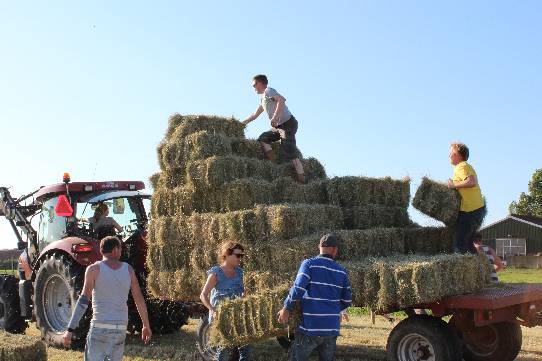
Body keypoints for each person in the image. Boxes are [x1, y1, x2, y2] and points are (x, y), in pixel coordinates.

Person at [62, 236, 151, 360]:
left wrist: (70, 329)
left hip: (100, 327)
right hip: (120, 329)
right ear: (115, 250)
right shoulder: (129, 270)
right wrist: (145, 325)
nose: (121, 252)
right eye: (120, 248)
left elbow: (83, 301)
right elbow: (139, 298)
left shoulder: (93, 269)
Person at [278, 233, 352, 361]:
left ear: (319, 247)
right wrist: (333, 310)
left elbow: (298, 289)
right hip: (331, 328)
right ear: (335, 250)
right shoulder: (342, 271)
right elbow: (347, 300)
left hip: (311, 327)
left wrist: (286, 307)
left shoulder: (309, 264)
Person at [242, 74, 306, 184]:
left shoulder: (268, 91)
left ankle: (303, 181)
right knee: (263, 139)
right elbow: (254, 115)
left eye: (254, 84)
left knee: (290, 153)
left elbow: (281, 100)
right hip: (278, 127)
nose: (253, 87)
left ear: (261, 83)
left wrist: (275, 117)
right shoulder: (263, 99)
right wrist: (240, 123)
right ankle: (275, 166)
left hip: (288, 124)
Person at [200, 241, 251, 361]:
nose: (240, 259)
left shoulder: (240, 272)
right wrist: (212, 310)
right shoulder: (216, 273)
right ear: (227, 254)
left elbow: (241, 292)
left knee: (246, 351)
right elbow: (203, 295)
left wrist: (245, 296)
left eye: (242, 256)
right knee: (223, 352)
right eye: (238, 255)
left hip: (238, 316)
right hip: (221, 318)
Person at [447, 142, 486, 254]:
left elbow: (471, 182)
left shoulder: (461, 166)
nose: (449, 156)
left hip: (470, 210)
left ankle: (460, 270)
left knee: (459, 243)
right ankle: (477, 268)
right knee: (468, 243)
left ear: (458, 155)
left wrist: (453, 185)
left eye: (451, 153)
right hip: (477, 209)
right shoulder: (466, 167)